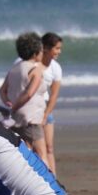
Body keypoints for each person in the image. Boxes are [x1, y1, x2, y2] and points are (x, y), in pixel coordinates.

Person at [0, 32, 48, 166]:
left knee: (24, 152)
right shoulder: (35, 70)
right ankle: (49, 183)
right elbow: (29, 93)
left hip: (15, 118)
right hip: (31, 117)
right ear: (35, 52)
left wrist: (8, 103)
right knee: (41, 154)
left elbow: (2, 90)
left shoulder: (14, 69)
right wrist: (14, 106)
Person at [40, 32, 63, 175]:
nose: (59, 52)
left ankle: (54, 180)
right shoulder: (32, 63)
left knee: (49, 147)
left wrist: (46, 114)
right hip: (29, 110)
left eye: (60, 48)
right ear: (46, 48)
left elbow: (54, 95)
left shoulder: (55, 67)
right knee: (34, 148)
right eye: (56, 48)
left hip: (45, 108)